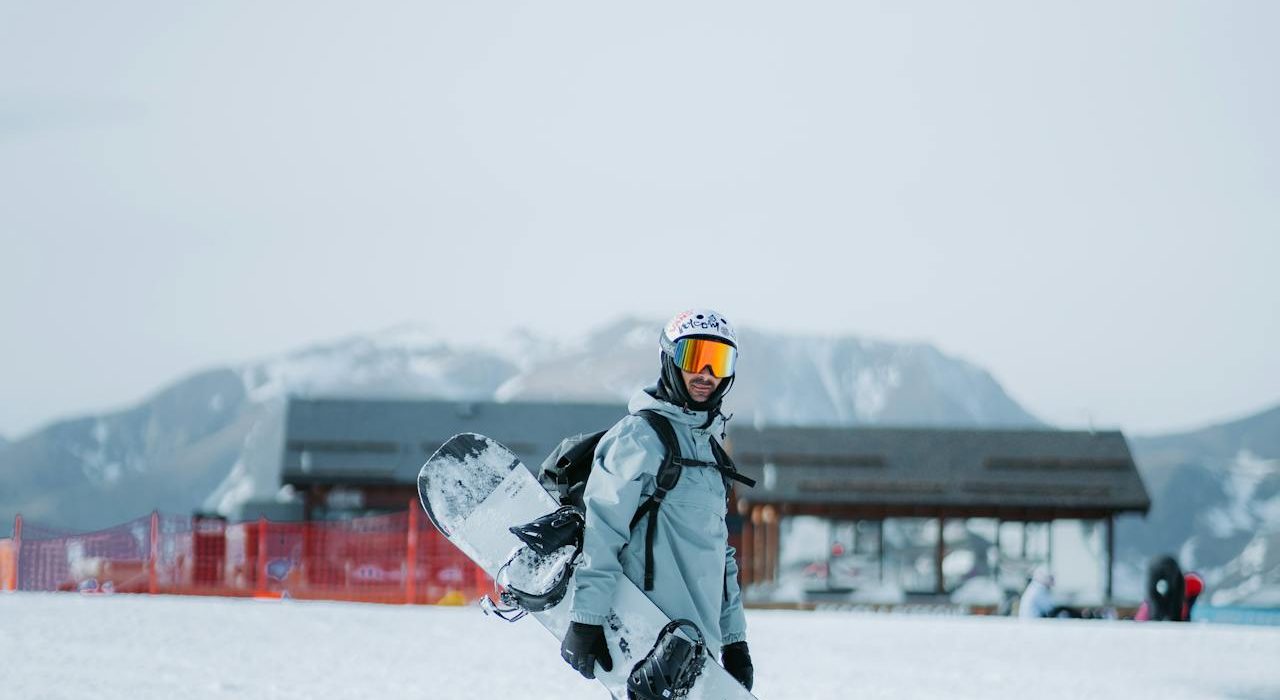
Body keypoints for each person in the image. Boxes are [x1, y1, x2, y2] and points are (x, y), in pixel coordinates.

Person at [559, 309, 754, 692]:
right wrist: (587, 617)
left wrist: (735, 641)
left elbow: (721, 556)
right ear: (669, 359)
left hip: (699, 648)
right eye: (694, 358)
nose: (706, 375)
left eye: (719, 362)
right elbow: (604, 530)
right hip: (645, 635)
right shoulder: (640, 436)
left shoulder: (712, 453)